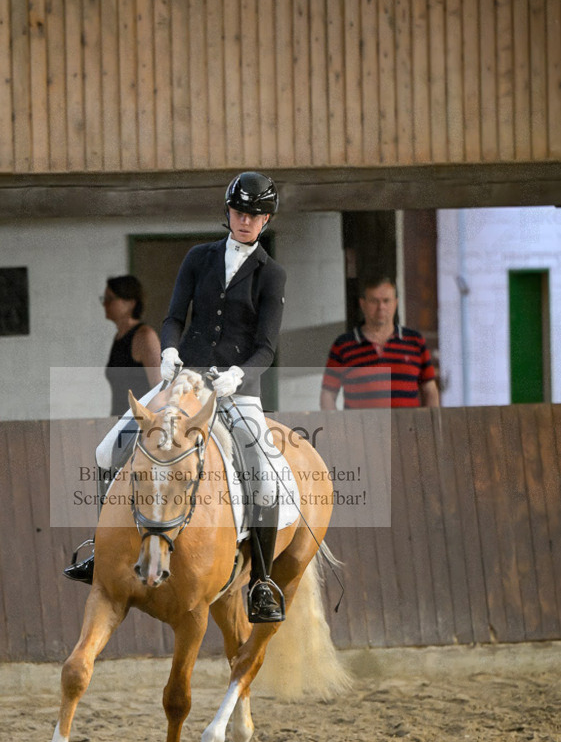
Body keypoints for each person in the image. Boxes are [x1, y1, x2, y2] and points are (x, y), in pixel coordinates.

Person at [65, 171, 288, 624]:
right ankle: (102, 551)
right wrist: (168, 349)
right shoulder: (198, 257)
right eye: (240, 212)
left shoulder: (272, 273)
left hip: (236, 389)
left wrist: (238, 377)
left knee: (263, 477)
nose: (246, 221)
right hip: (183, 382)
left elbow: (266, 345)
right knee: (107, 449)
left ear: (265, 220)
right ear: (228, 212)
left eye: (255, 215)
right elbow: (173, 317)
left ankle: (262, 582)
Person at [320, 277, 440, 410]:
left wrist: (428, 427)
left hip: (407, 429)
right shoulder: (343, 345)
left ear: (396, 303)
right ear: (362, 304)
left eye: (386, 301)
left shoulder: (415, 341)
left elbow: (430, 390)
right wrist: (338, 428)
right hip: (360, 429)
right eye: (374, 301)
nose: (381, 307)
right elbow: (327, 395)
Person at [101, 275, 161, 415]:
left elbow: (159, 386)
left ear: (130, 303)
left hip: (140, 425)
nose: (105, 304)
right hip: (120, 422)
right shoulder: (119, 337)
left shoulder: (145, 336)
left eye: (110, 299)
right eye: (104, 299)